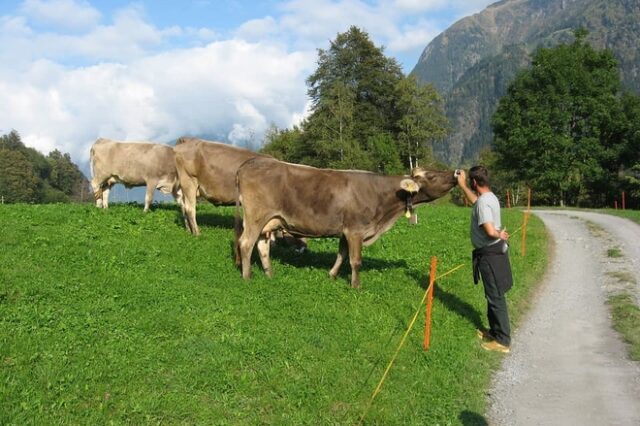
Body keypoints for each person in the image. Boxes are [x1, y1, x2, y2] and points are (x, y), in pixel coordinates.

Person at [457, 166, 513, 353]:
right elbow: (476, 202)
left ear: (475, 182)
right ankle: (495, 332)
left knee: (496, 296)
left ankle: (503, 341)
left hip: (489, 254)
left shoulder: (483, 203)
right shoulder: (489, 198)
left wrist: (499, 234)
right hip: (493, 252)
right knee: (492, 294)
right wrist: (462, 185)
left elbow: (489, 231)